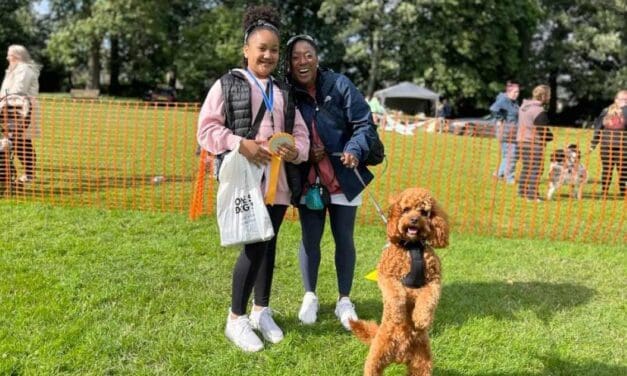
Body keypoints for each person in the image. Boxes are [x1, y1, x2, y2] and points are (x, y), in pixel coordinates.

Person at [196, 5, 310, 352]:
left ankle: (261, 310)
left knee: (269, 243)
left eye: (274, 50)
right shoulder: (227, 84)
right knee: (254, 245)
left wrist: (296, 151)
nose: (268, 55)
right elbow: (207, 129)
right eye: (262, 48)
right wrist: (239, 144)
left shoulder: (284, 91)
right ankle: (236, 319)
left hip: (278, 184)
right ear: (246, 49)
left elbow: (301, 135)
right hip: (247, 181)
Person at [284, 34, 378, 331]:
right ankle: (310, 295)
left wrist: (354, 150)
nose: (303, 61)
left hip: (344, 178)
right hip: (309, 180)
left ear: (317, 58)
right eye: (296, 57)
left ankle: (344, 299)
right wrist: (304, 152)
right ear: (289, 64)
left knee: (344, 238)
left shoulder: (339, 85)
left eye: (308, 54)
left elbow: (364, 123)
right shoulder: (286, 92)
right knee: (310, 239)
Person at [0, 44, 40, 183]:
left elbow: (18, 90)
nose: (7, 57)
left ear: (18, 56)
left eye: (10, 55)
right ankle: (27, 174)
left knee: (19, 141)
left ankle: (28, 174)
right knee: (18, 141)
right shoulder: (13, 70)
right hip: (10, 109)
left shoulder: (24, 70)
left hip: (21, 110)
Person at [517, 84, 553, 202]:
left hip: (521, 141)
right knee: (536, 169)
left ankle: (522, 191)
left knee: (527, 167)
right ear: (543, 96)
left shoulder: (523, 107)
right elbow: (542, 130)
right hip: (534, 143)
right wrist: (549, 136)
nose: (549, 98)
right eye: (548, 95)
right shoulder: (539, 111)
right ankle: (532, 196)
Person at [589, 90, 627, 197]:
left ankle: (604, 192)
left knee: (607, 169)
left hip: (606, 145)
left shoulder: (606, 111)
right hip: (623, 146)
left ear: (616, 100)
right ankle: (623, 191)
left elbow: (598, 128)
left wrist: (593, 144)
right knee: (623, 170)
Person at [490, 81, 520, 184]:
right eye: (515, 92)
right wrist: (500, 119)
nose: (517, 94)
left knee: (508, 155)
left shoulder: (513, 102)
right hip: (506, 133)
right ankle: (509, 178)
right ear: (508, 92)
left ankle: (498, 173)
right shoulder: (504, 100)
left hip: (512, 133)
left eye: (518, 92)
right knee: (512, 156)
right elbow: (494, 109)